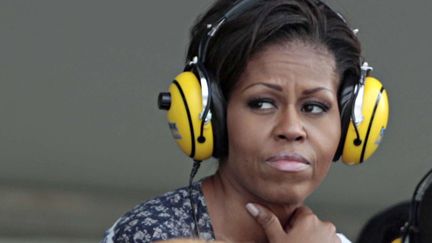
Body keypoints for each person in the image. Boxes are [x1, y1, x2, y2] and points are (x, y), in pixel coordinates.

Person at [103, 0, 386, 242]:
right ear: (212, 115)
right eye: (261, 103)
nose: (290, 128)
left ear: (350, 123)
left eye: (314, 107)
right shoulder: (151, 232)